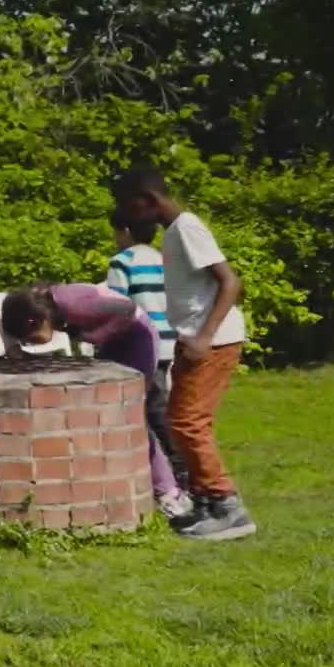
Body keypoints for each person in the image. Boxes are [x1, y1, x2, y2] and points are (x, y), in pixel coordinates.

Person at [113, 166, 256, 541]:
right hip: (192, 339)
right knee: (180, 421)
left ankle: (228, 507)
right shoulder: (174, 232)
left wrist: (204, 337)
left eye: (129, 206)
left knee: (189, 422)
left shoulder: (187, 228)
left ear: (148, 200)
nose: (127, 216)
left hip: (213, 340)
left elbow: (230, 282)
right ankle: (206, 503)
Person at [0, 282, 184, 514]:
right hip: (115, 339)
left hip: (137, 338)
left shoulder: (72, 304)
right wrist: (13, 350)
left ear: (32, 322)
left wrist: (92, 336)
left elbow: (126, 310)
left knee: (133, 415)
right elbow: (4, 323)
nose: (30, 344)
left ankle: (169, 491)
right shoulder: (36, 306)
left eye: (29, 338)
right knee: (110, 411)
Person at [104, 209, 190, 499]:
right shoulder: (163, 259)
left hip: (141, 346)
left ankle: (179, 474)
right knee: (161, 406)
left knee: (152, 411)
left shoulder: (122, 262)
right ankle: (175, 471)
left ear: (126, 231)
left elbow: (117, 309)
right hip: (169, 342)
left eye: (116, 232)